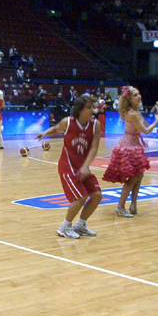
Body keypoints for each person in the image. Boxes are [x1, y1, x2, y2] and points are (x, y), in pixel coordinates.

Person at [36, 95, 102, 239]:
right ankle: (65, 227)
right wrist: (44, 133)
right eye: (89, 107)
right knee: (80, 197)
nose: (93, 110)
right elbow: (56, 129)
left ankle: (81, 225)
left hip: (82, 167)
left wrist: (86, 167)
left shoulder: (95, 125)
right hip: (68, 166)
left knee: (97, 196)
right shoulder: (68, 122)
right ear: (80, 109)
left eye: (93, 107)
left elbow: (94, 148)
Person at [102, 86, 158, 217]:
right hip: (129, 148)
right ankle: (120, 207)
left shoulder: (136, 111)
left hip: (135, 146)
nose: (139, 96)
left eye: (139, 94)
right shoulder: (132, 114)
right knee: (133, 178)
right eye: (135, 95)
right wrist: (156, 121)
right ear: (129, 99)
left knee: (139, 176)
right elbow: (146, 130)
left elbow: (143, 125)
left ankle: (133, 205)